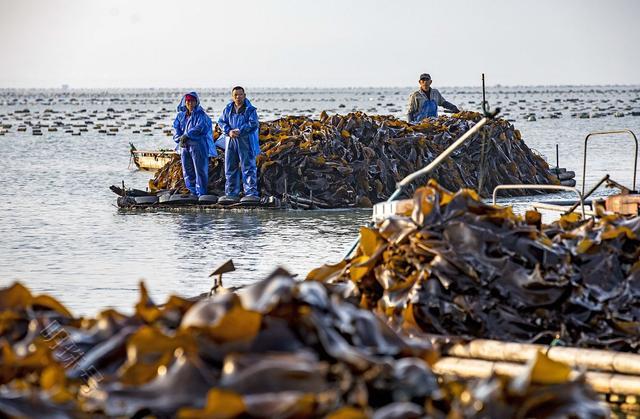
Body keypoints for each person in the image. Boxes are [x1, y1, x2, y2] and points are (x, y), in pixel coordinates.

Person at [217, 86, 260, 204]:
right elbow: (221, 122)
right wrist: (228, 131)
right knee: (230, 167)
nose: (238, 97)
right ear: (232, 96)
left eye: (240, 94)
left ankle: (251, 193)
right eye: (235, 95)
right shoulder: (228, 109)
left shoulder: (250, 110)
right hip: (230, 141)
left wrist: (240, 130)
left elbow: (253, 124)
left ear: (244, 95)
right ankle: (231, 193)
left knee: (248, 167)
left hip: (245, 140)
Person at [173, 91, 216, 197]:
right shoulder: (181, 116)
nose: (190, 104)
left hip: (198, 145)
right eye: (188, 101)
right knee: (187, 170)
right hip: (184, 146)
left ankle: (201, 192)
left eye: (192, 101)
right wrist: (179, 138)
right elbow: (176, 129)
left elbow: (200, 128)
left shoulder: (201, 115)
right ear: (184, 102)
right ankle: (192, 191)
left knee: (200, 169)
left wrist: (187, 135)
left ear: (196, 102)